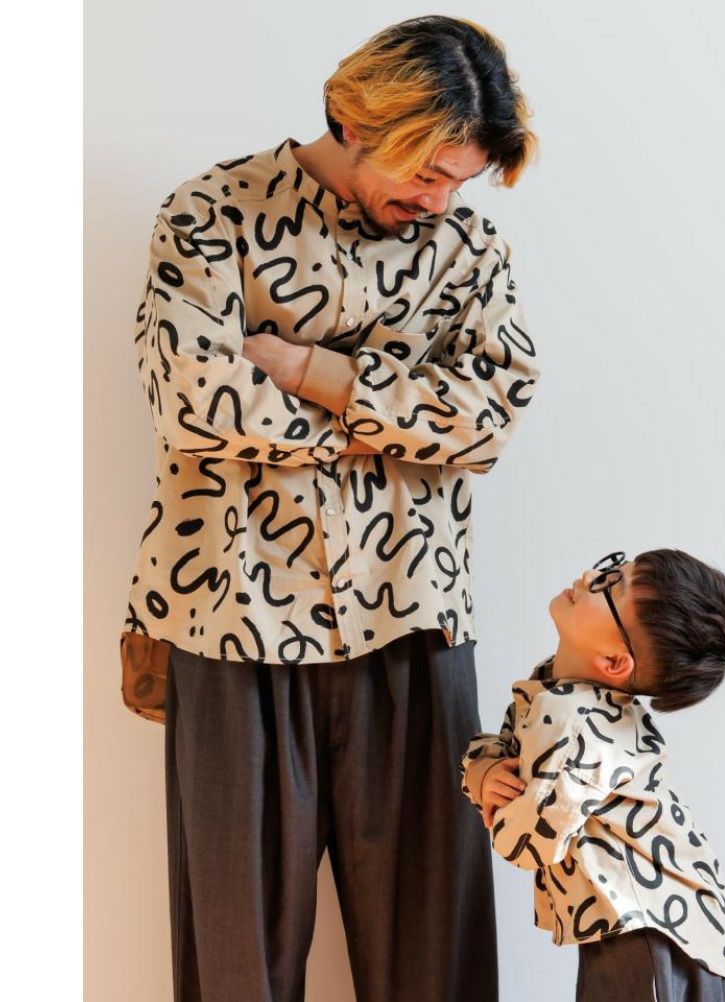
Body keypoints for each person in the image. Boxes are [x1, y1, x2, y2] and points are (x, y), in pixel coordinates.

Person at [119, 16, 539, 1002]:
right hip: (231, 621)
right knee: (237, 963)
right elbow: (193, 401)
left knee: (436, 959)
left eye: (459, 182)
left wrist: (318, 374)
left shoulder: (467, 249)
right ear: (357, 121)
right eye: (426, 173)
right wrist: (398, 424)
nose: (437, 201)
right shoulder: (212, 214)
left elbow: (489, 419)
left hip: (412, 621)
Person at [461, 549, 725, 1001]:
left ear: (615, 662)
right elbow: (506, 752)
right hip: (648, 923)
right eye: (612, 568)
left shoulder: (574, 722)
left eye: (610, 586)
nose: (590, 574)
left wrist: (488, 789)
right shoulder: (554, 692)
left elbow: (528, 841)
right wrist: (486, 774)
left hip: (654, 927)